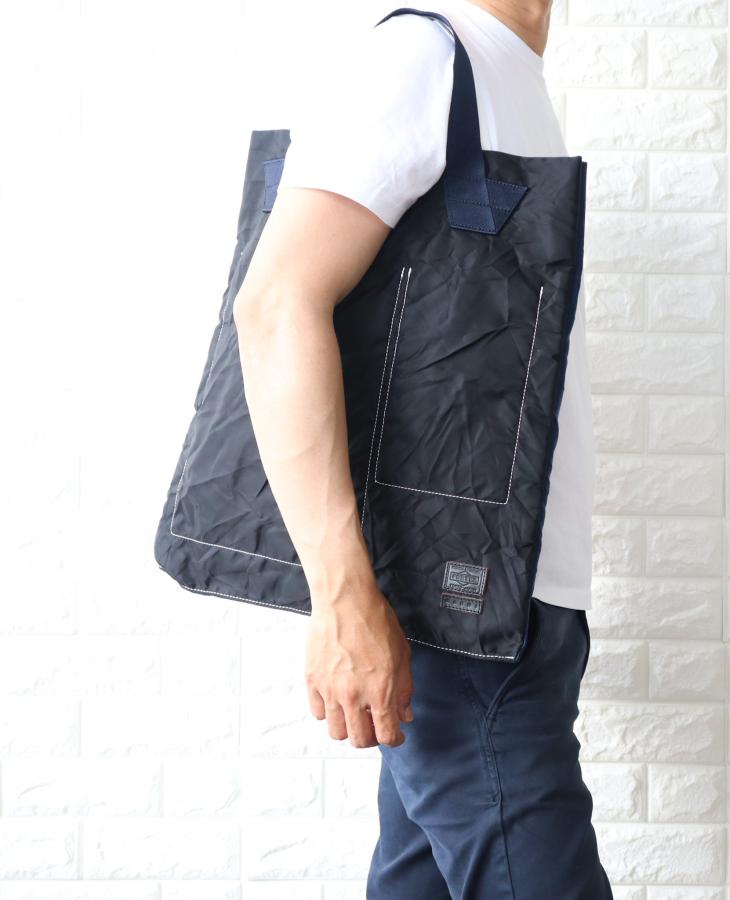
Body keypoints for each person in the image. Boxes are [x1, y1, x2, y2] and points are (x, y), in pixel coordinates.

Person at [232, 1, 612, 896]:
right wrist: (341, 598)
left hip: (515, 603)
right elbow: (275, 306)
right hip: (459, 614)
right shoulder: (420, 57)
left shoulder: (500, 68)